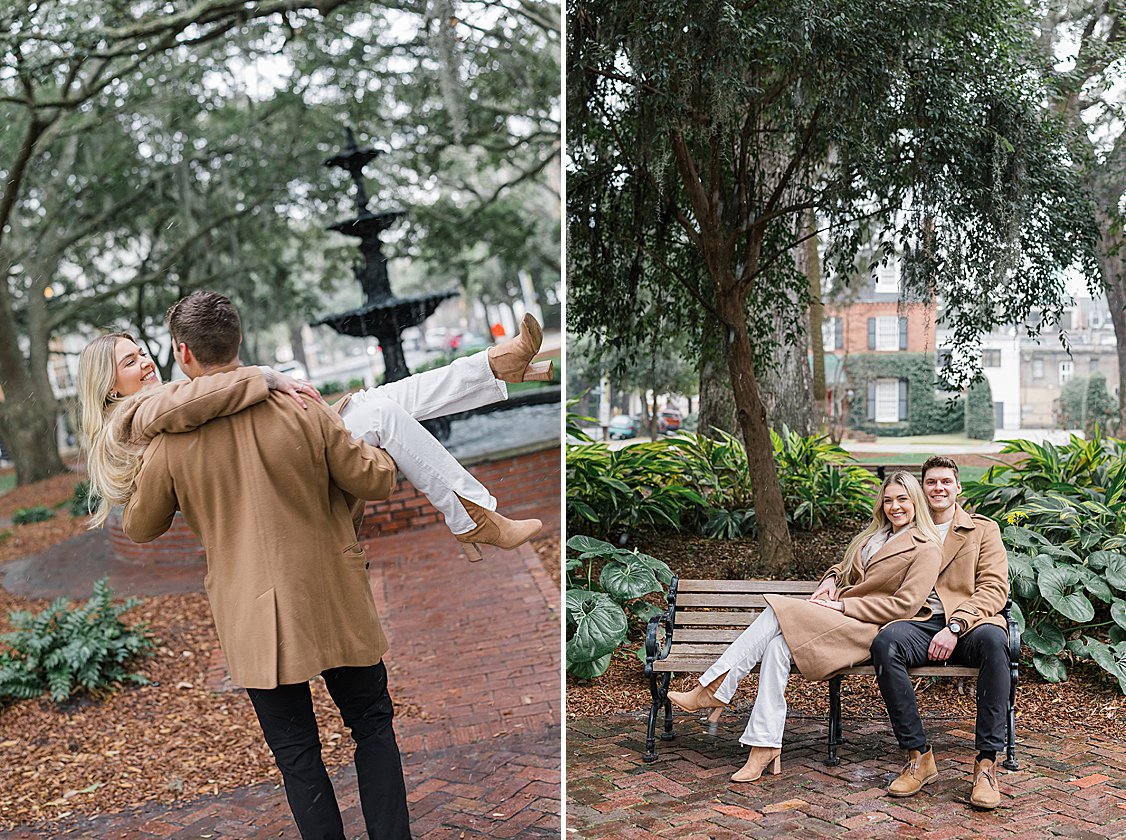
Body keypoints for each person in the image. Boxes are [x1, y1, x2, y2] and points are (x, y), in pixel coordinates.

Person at [78, 306, 554, 560]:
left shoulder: (157, 404)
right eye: (129, 361)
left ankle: (495, 365)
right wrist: (265, 376)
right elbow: (196, 404)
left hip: (277, 457)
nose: (143, 363)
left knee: (381, 401)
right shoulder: (135, 417)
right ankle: (469, 513)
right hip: (275, 476)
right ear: (107, 384)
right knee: (383, 414)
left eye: (141, 353)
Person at [666, 471, 943, 784]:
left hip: (867, 628)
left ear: (916, 502)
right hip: (842, 620)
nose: (895, 507)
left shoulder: (927, 548)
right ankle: (764, 745)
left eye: (903, 499)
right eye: (888, 500)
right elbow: (847, 568)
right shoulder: (873, 537)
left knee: (775, 612)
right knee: (776, 647)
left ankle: (714, 687)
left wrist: (841, 605)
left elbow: (904, 606)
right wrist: (829, 579)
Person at [869, 455, 1009, 809]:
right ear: (922, 488)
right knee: (886, 643)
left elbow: (993, 588)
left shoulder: (983, 529)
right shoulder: (904, 527)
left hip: (971, 624)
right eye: (931, 482)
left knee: (996, 642)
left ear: (958, 488)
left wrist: (956, 624)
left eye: (945, 481)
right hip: (919, 620)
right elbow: (859, 560)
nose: (938, 488)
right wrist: (830, 580)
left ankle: (987, 764)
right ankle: (918, 755)